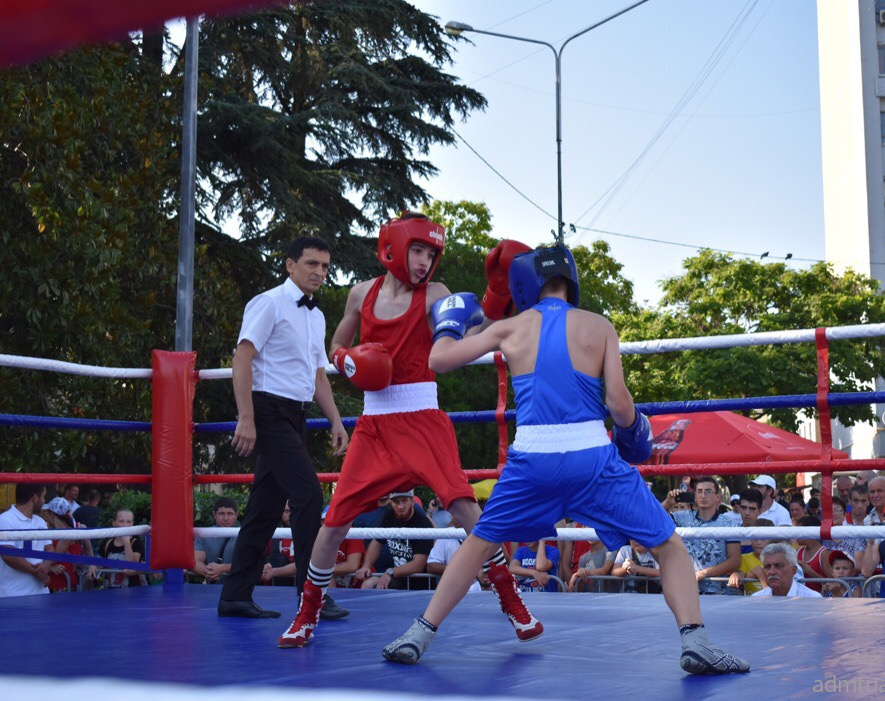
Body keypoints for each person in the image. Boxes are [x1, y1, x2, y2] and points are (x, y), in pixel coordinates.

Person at [381, 244, 748, 674]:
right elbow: (619, 403)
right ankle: (696, 640)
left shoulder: (512, 327)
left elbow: (439, 360)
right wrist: (635, 432)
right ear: (571, 281)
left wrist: (448, 323)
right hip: (591, 457)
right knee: (667, 545)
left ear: (524, 285)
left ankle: (420, 633)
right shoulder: (599, 325)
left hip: (532, 460)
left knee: (479, 542)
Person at [279, 221, 540, 649]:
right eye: (417, 251)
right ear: (394, 248)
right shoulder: (360, 294)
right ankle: (308, 613)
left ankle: (511, 600)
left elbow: (472, 336)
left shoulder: (436, 294)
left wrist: (495, 297)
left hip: (422, 418)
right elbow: (335, 346)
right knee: (334, 523)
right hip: (375, 425)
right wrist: (350, 362)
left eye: (430, 255)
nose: (424, 262)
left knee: (467, 511)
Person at [219, 236, 349, 620]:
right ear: (290, 265)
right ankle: (311, 596)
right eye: (311, 264)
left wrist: (337, 421)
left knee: (264, 509)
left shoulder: (316, 315)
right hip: (267, 409)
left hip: (296, 413)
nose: (319, 273)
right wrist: (246, 417)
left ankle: (234, 596)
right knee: (308, 496)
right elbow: (242, 358)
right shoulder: (269, 302)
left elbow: (318, 375)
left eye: (324, 267)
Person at [661, 476, 741, 595]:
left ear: (717, 497)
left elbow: (735, 560)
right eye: (699, 491)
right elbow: (653, 520)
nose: (703, 495)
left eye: (708, 491)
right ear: (695, 496)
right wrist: (668, 503)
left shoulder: (730, 523)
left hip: (719, 592)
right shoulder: (682, 517)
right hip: (685, 589)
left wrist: (704, 573)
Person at [353, 491, 435, 591]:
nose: (400, 506)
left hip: (418, 583)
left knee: (376, 587)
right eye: (396, 502)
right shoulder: (390, 514)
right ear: (391, 502)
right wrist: (366, 566)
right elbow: (377, 541)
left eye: (404, 501)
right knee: (367, 585)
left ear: (412, 501)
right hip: (397, 578)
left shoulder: (422, 523)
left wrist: (390, 572)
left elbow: (418, 564)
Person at [0, 484, 53, 597]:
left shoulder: (40, 522)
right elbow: (8, 554)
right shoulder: (5, 520)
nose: (44, 501)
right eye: (43, 497)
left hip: (41, 593)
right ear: (35, 498)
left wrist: (46, 566)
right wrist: (37, 572)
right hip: (12, 595)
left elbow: (49, 548)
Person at [193, 497, 240, 585]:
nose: (226, 518)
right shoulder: (204, 534)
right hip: (212, 589)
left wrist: (222, 568)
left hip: (238, 589)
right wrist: (209, 572)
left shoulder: (244, 535)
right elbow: (195, 561)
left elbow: (248, 563)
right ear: (214, 515)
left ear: (236, 515)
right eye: (221, 514)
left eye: (230, 514)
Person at [752, 543, 821, 598]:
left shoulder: (812, 598)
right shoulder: (757, 599)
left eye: (779, 566)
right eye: (767, 566)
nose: (772, 572)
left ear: (793, 570)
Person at [100, 509, 146, 588]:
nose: (125, 525)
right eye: (121, 521)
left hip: (132, 593)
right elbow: (99, 563)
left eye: (129, 522)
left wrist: (126, 542)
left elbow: (132, 566)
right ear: (114, 523)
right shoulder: (107, 543)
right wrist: (93, 567)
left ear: (132, 524)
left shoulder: (136, 543)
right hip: (110, 592)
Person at [794, 516, 831, 593]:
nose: (796, 535)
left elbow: (832, 583)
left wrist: (810, 572)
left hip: (819, 600)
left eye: (799, 531)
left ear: (809, 531)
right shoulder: (798, 551)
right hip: (801, 598)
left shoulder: (824, 553)